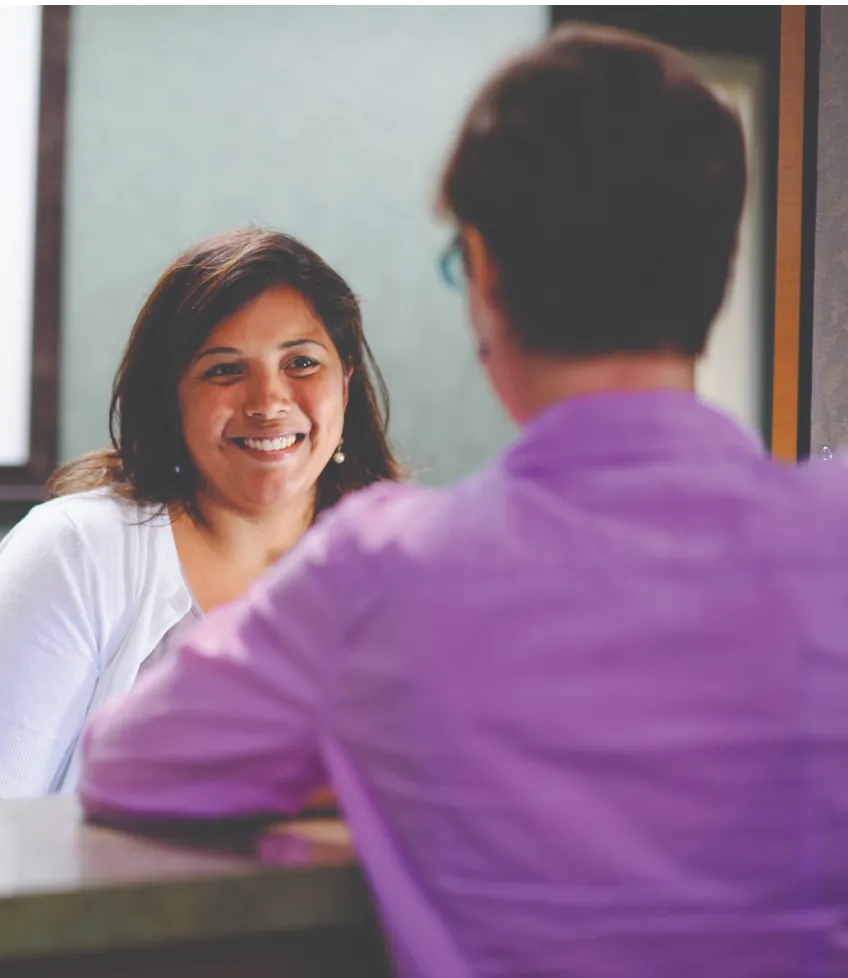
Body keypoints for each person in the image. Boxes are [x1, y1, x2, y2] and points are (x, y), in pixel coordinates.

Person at [78, 25, 848, 978]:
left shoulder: (380, 574)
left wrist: (364, 749)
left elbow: (126, 765)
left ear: (482, 277)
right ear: (720, 269)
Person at [0, 228, 401, 798]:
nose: (268, 402)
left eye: (301, 363)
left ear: (346, 382)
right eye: (225, 370)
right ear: (171, 398)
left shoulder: (400, 566)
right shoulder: (75, 549)